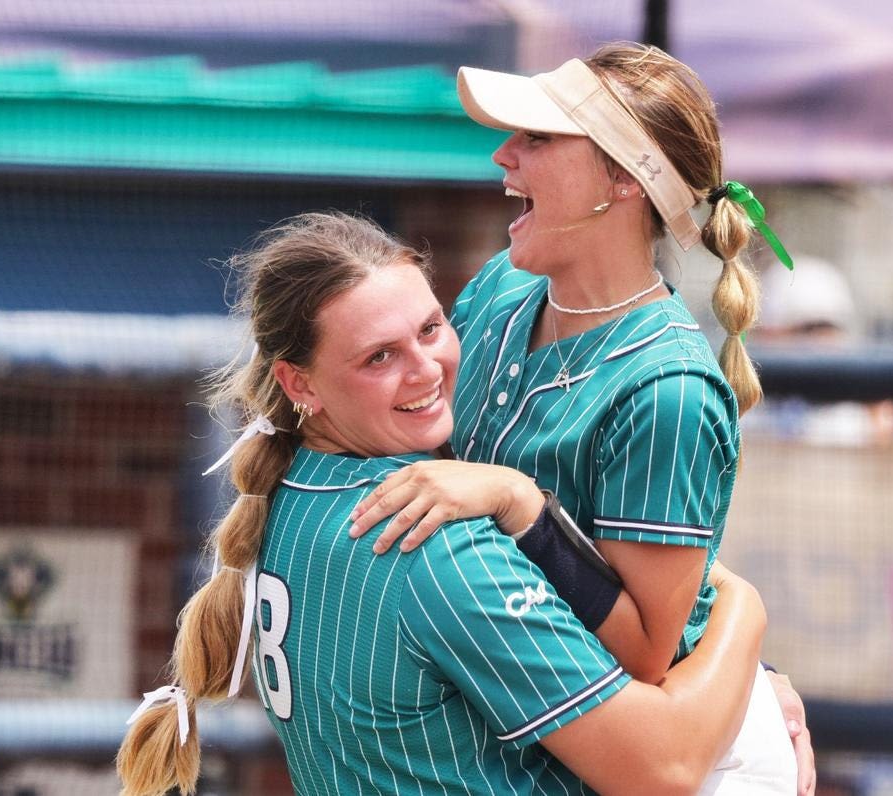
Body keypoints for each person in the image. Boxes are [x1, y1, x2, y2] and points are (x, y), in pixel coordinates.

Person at [116, 211, 771, 796]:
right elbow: (663, 771)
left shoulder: (286, 495)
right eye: (379, 357)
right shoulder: (435, 544)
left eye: (430, 328)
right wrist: (742, 613)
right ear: (298, 382)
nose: (425, 369)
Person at [346, 43, 806, 794]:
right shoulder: (502, 286)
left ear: (623, 179)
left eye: (537, 139)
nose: (503, 156)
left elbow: (647, 656)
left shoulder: (669, 388)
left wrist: (519, 504)